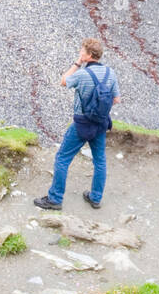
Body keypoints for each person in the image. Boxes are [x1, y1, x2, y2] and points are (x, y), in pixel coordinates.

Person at [34, 38, 120, 210]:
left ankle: (55, 199)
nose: (80, 53)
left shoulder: (82, 74)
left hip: (82, 124)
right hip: (101, 123)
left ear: (88, 55)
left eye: (82, 51)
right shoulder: (111, 73)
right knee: (100, 161)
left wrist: (76, 63)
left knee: (62, 158)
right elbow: (116, 99)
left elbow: (64, 81)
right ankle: (95, 198)